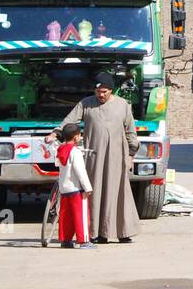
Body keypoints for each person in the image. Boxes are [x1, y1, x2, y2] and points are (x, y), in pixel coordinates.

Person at [50, 71, 141, 242]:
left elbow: (130, 132)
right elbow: (70, 121)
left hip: (116, 156)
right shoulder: (86, 104)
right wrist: (55, 133)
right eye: (98, 91)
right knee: (95, 190)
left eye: (104, 92)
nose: (101, 95)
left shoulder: (123, 105)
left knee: (117, 192)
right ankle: (96, 232)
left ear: (111, 91)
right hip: (94, 156)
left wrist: (131, 154)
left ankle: (122, 232)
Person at [55, 124, 93, 249]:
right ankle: (84, 241)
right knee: (81, 215)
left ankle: (66, 240)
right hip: (76, 189)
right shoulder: (75, 152)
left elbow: (59, 166)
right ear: (76, 137)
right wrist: (87, 187)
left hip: (64, 188)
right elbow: (80, 171)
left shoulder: (60, 150)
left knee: (66, 216)